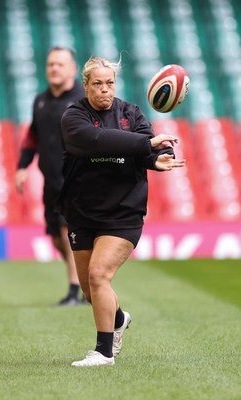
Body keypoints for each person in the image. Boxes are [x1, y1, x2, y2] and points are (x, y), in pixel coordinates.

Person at [60, 56, 186, 366]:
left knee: (98, 275)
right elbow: (96, 141)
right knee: (90, 290)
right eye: (98, 84)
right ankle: (118, 319)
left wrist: (160, 156)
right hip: (82, 212)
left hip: (123, 213)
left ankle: (104, 352)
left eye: (110, 83)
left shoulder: (131, 113)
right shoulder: (73, 117)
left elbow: (156, 147)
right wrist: (146, 147)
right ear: (85, 86)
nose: (105, 90)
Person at [15, 47, 86, 306]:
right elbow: (32, 135)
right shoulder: (40, 101)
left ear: (73, 69)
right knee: (56, 237)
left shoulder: (83, 99)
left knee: (69, 233)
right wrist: (23, 166)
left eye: (60, 64)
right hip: (50, 180)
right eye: (50, 64)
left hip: (76, 181)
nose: (54, 68)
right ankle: (87, 282)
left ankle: (73, 292)